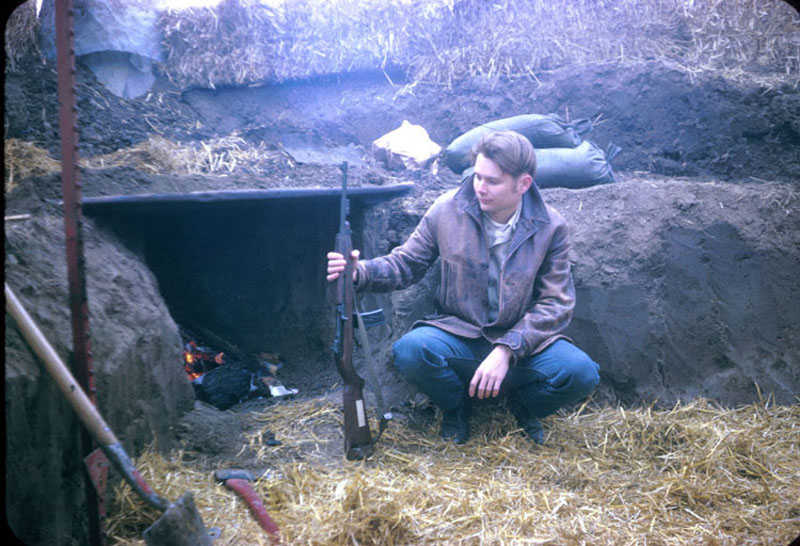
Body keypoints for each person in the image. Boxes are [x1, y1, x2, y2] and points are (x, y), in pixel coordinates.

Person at [326, 130, 599, 445]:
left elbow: (556, 304)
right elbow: (406, 264)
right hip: (461, 337)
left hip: (523, 347)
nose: (480, 188)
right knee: (412, 351)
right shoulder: (446, 210)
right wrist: (360, 272)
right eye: (477, 177)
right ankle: (457, 408)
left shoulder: (552, 227)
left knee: (581, 373)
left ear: (523, 184)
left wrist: (507, 349)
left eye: (492, 181)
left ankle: (522, 409)